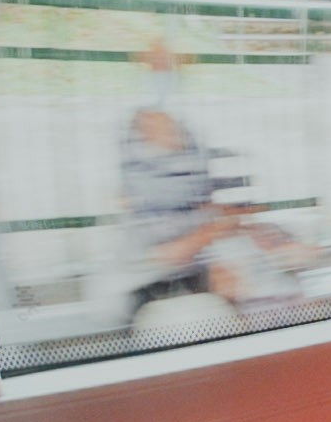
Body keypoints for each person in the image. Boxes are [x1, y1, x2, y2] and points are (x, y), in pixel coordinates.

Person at [119, 37, 291, 323]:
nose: (165, 76)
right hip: (157, 280)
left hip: (194, 264)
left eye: (170, 69)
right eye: (158, 69)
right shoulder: (132, 139)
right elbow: (163, 247)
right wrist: (215, 230)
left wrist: (241, 220)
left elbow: (205, 195)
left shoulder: (186, 132)